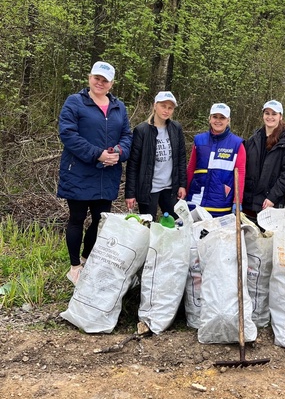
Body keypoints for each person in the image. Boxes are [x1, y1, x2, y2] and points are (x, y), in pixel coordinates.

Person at [57, 61, 132, 285]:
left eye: (105, 80)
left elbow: (127, 136)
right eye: (97, 78)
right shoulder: (75, 102)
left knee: (100, 220)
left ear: (112, 84)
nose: (100, 82)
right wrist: (97, 154)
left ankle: (86, 259)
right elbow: (68, 134)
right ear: (90, 78)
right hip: (78, 172)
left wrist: (119, 152)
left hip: (107, 175)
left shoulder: (119, 107)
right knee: (77, 219)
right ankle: (74, 267)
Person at [125, 91, 187, 221]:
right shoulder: (142, 130)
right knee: (148, 225)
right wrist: (130, 193)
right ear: (155, 106)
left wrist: (182, 184)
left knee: (175, 223)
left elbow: (181, 158)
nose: (166, 110)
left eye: (170, 108)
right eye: (163, 106)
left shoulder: (176, 128)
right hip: (149, 189)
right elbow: (133, 164)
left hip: (170, 188)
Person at [186, 103, 246, 217]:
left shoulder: (237, 144)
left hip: (221, 205)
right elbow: (191, 169)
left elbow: (240, 174)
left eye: (222, 117)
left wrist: (238, 201)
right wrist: (185, 190)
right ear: (209, 119)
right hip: (196, 201)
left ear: (228, 120)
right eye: (215, 117)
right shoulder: (199, 140)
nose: (218, 121)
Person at [242, 100, 285, 221]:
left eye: (274, 114)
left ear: (280, 116)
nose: (270, 117)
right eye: (267, 113)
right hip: (248, 203)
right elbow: (243, 168)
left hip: (271, 204)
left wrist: (273, 197)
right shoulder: (253, 140)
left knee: (267, 239)